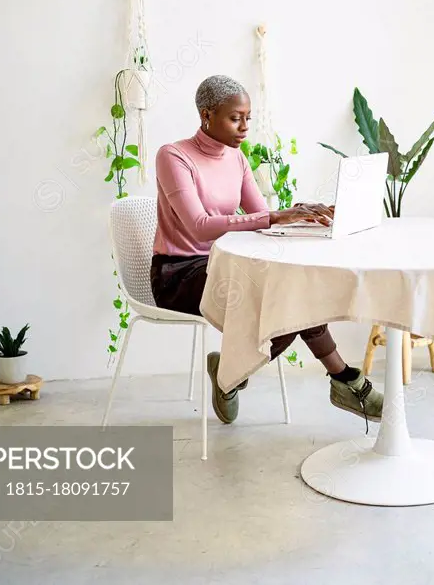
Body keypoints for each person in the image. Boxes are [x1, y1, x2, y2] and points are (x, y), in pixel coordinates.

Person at [149, 74, 384, 425]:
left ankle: (237, 373)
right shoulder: (174, 156)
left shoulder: (237, 158)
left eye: (248, 118)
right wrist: (275, 216)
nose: (244, 127)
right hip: (180, 273)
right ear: (206, 115)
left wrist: (304, 215)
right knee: (287, 297)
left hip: (224, 264)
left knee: (295, 289)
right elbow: (197, 225)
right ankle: (338, 380)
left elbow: (262, 217)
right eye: (235, 118)